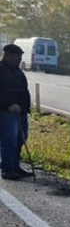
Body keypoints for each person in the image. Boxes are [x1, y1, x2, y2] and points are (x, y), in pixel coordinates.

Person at [0, 44, 32, 180]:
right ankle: (7, 169)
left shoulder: (18, 71)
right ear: (6, 56)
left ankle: (15, 166)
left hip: (21, 111)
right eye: (16, 58)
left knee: (21, 138)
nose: (18, 60)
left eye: (19, 58)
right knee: (9, 140)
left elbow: (23, 90)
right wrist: (8, 105)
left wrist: (25, 107)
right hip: (7, 112)